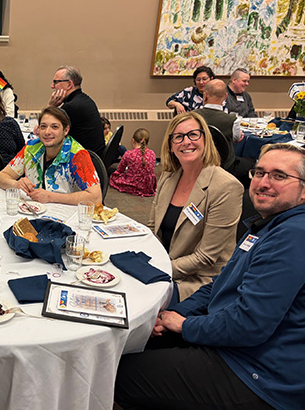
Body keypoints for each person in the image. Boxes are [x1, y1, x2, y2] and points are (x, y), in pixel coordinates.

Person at [115, 143, 305, 410]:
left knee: (116, 374)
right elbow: (220, 285)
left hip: (258, 373)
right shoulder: (266, 227)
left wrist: (184, 326)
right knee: (135, 342)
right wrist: (173, 315)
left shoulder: (293, 236)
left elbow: (248, 325)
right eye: (260, 172)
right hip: (234, 342)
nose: (263, 183)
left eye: (279, 176)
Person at [149, 112, 243, 301]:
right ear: (171, 146)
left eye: (193, 134)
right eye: (178, 137)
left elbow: (205, 257)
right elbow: (152, 228)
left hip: (199, 282)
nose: (186, 142)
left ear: (205, 140)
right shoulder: (168, 177)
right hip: (165, 268)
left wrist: (157, 269)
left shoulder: (226, 187)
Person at [0, 106, 102, 205]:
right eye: (43, 126)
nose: (47, 132)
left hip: (66, 212)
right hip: (35, 210)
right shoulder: (31, 148)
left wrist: (51, 197)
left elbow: (96, 197)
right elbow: (1, 177)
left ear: (66, 130)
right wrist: (16, 185)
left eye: (54, 127)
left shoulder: (77, 155)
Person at [47, 65, 105, 157]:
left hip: (84, 160)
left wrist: (50, 106)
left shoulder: (72, 107)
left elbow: (46, 133)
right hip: (93, 156)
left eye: (55, 82)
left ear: (69, 84)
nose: (52, 86)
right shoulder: (83, 99)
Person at [195, 79, 245, 172]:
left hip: (198, 162)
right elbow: (236, 138)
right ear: (225, 96)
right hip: (225, 166)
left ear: (205, 95)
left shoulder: (192, 117)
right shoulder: (232, 120)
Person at [109, 128, 157, 197]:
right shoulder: (152, 153)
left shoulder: (129, 154)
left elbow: (119, 170)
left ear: (133, 140)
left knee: (113, 175)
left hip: (133, 183)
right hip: (148, 186)